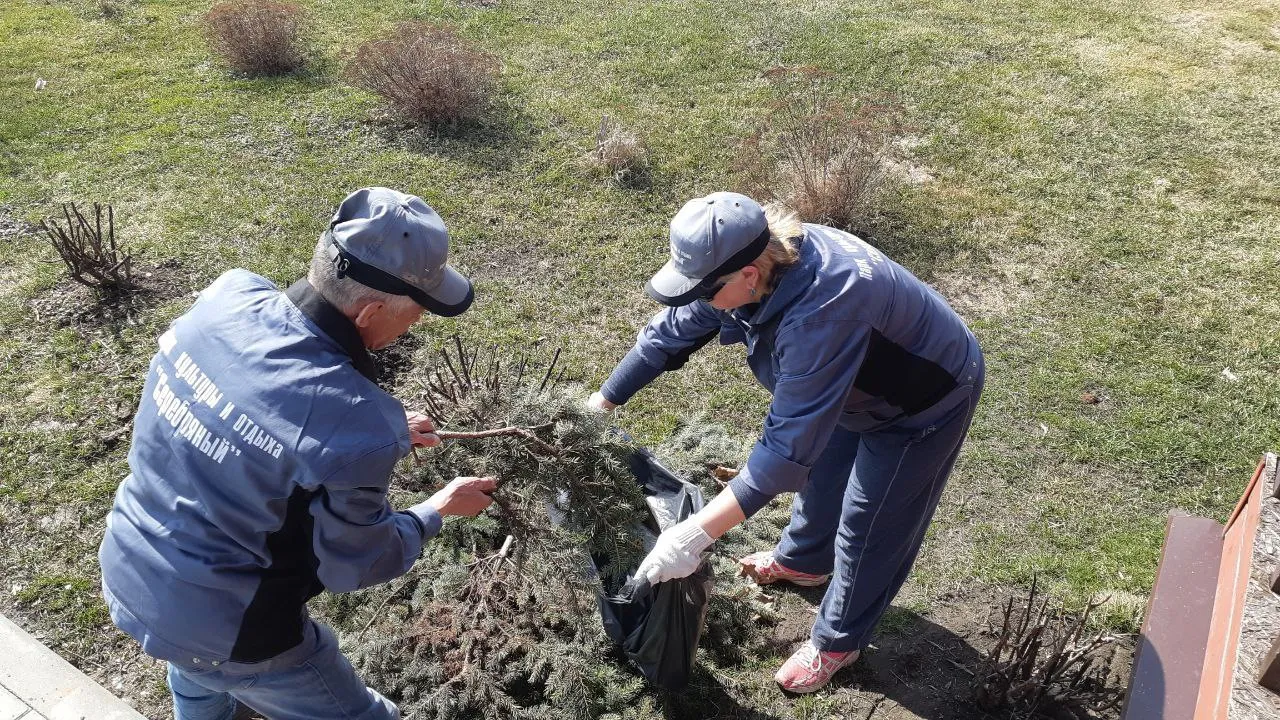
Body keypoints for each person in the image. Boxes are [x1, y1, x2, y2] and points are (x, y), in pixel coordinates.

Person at [99, 188, 498, 720]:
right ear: (371, 311)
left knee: (193, 670)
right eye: (418, 310)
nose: (417, 323)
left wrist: (368, 427)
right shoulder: (357, 423)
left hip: (131, 565)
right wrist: (437, 508)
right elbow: (355, 563)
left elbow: (261, 405)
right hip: (229, 627)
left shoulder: (228, 295)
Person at [588, 192, 984, 694]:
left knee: (870, 523)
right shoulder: (751, 267)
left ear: (749, 275)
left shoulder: (824, 313)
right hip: (850, 384)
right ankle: (803, 563)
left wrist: (692, 536)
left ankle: (838, 641)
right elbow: (666, 336)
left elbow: (779, 456)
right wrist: (601, 404)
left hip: (922, 400)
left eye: (703, 291)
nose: (697, 301)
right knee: (821, 479)